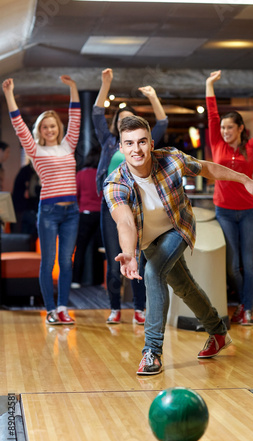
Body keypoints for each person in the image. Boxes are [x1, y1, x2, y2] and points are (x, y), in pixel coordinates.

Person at [103, 115, 253, 376]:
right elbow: (124, 221)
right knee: (184, 287)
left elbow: (207, 168)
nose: (137, 149)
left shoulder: (171, 159)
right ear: (121, 148)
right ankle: (218, 332)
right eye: (129, 143)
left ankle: (152, 352)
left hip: (178, 227)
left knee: (153, 273)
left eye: (142, 142)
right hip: (148, 240)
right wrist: (130, 252)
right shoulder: (115, 183)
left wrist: (245, 179)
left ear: (151, 143)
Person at [2, 75, 81, 325]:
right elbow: (19, 126)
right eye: (45, 126)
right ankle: (49, 310)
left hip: (72, 211)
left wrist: (73, 89)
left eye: (53, 125)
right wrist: (9, 93)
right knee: (48, 262)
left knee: (66, 263)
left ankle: (62, 308)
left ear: (58, 127)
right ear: (40, 130)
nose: (49, 129)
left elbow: (76, 118)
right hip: (48, 211)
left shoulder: (69, 145)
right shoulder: (36, 151)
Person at [92, 68, 168, 325]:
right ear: (116, 126)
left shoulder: (141, 144)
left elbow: (163, 124)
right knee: (115, 262)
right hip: (109, 208)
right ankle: (114, 308)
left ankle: (139, 308)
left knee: (138, 259)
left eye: (131, 121)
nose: (126, 125)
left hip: (137, 208)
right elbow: (95, 114)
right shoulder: (109, 143)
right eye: (122, 121)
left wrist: (153, 96)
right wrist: (106, 84)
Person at [206, 70, 253, 327]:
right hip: (224, 211)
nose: (225, 131)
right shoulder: (216, 142)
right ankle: (240, 302)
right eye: (223, 127)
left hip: (249, 211)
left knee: (248, 265)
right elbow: (212, 114)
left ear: (240, 129)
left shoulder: (252, 147)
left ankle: (246, 310)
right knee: (233, 265)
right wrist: (209, 84)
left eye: (230, 127)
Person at [71, 149, 104, 288]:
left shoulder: (81, 174)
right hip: (100, 215)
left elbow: (75, 195)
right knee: (100, 249)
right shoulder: (102, 175)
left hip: (84, 214)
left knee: (81, 249)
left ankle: (76, 281)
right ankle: (99, 280)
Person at [11, 155, 40, 241]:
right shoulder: (28, 172)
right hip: (24, 209)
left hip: (27, 209)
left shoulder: (29, 171)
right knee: (24, 234)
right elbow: (27, 194)